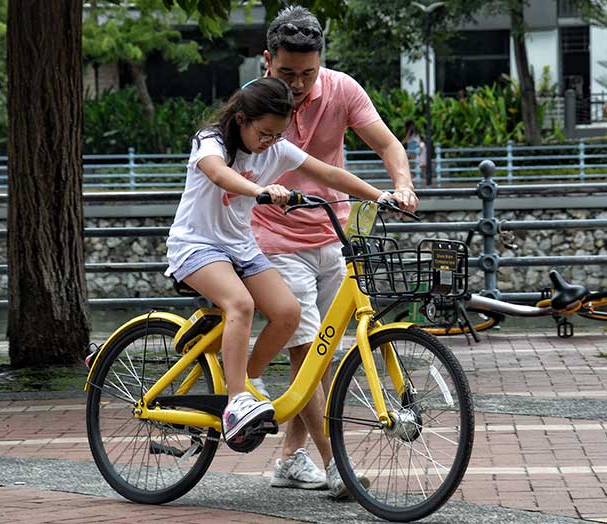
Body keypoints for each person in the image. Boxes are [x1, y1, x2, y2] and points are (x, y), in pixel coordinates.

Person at [163, 77, 390, 445]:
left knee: (288, 313)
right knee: (240, 303)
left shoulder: (277, 148)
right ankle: (236, 400)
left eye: (277, 134)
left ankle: (246, 379)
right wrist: (260, 190)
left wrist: (381, 195)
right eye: (264, 133)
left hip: (240, 246)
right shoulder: (211, 140)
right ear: (241, 119)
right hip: (196, 245)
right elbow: (219, 174)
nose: (270, 142)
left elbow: (329, 174)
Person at [251, 5, 419, 499]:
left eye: (308, 73)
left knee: (321, 358)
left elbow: (387, 143)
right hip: (274, 238)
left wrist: (402, 185)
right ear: (267, 61)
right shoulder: (255, 100)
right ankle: (336, 464)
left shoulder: (343, 89)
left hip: (334, 235)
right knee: (308, 349)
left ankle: (288, 459)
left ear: (321, 62)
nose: (299, 84)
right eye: (287, 73)